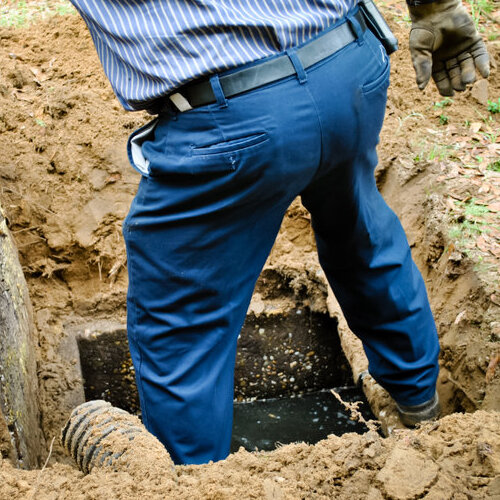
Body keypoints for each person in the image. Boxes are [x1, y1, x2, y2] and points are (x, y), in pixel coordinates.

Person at [69, 0, 489, 465]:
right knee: (359, 230)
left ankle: (194, 481)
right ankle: (420, 406)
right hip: (347, 64)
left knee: (181, 317)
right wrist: (436, 8)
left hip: (231, 122)